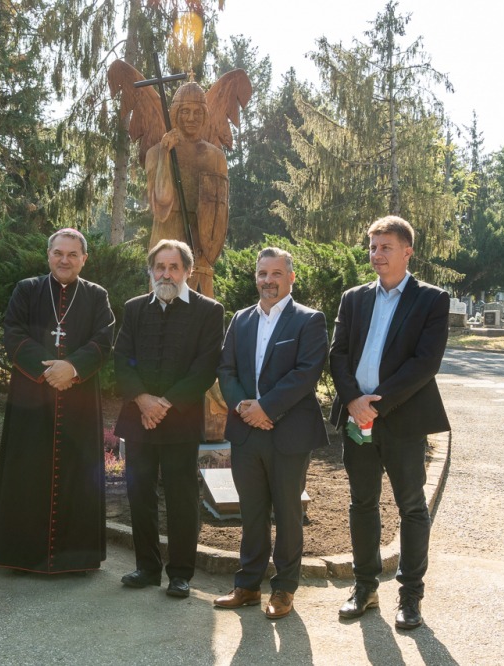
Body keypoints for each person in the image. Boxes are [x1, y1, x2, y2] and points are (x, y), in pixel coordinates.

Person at [329, 215, 450, 630]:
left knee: (411, 506)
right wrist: (353, 400)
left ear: (407, 251)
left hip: (402, 420)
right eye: (373, 247)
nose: (376, 254)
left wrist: (376, 405)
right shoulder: (353, 298)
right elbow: (338, 354)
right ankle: (364, 588)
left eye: (385, 247)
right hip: (356, 419)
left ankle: (410, 596)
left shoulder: (431, 300)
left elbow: (425, 363)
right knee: (361, 503)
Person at [0, 228, 115, 573]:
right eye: (58, 253)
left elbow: (104, 339)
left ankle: (76, 558)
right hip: (32, 396)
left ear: (84, 259)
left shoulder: (97, 295)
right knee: (27, 471)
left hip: (79, 398)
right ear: (48, 255)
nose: (64, 260)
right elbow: (13, 332)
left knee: (77, 475)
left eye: (73, 255)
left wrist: (71, 367)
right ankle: (21, 555)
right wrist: (47, 371)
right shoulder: (27, 289)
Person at [214, 247, 329, 620]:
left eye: (276, 274)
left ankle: (284, 589)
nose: (268, 281)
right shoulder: (241, 319)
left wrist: (266, 408)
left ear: (291, 278)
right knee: (251, 512)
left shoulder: (309, 320)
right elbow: (226, 370)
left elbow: (306, 373)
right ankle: (247, 585)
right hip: (246, 433)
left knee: (288, 512)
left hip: (288, 433)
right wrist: (245, 409)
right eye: (263, 274)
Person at [113, 239, 224, 599]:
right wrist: (143, 400)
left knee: (182, 498)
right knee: (139, 494)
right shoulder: (134, 308)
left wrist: (164, 404)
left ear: (187, 271)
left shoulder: (209, 311)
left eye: (174, 267)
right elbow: (122, 359)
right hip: (138, 418)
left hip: (181, 420)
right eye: (159, 267)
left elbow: (205, 367)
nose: (166, 274)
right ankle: (147, 568)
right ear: (151, 270)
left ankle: (180, 574)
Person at [146, 81, 228, 297]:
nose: (191, 118)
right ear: (175, 114)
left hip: (201, 242)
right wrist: (165, 154)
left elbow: (218, 212)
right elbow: (162, 200)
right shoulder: (155, 153)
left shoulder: (216, 157)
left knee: (201, 304)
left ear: (204, 115)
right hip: (167, 233)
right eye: (185, 111)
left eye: (197, 112)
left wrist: (207, 241)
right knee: (163, 299)